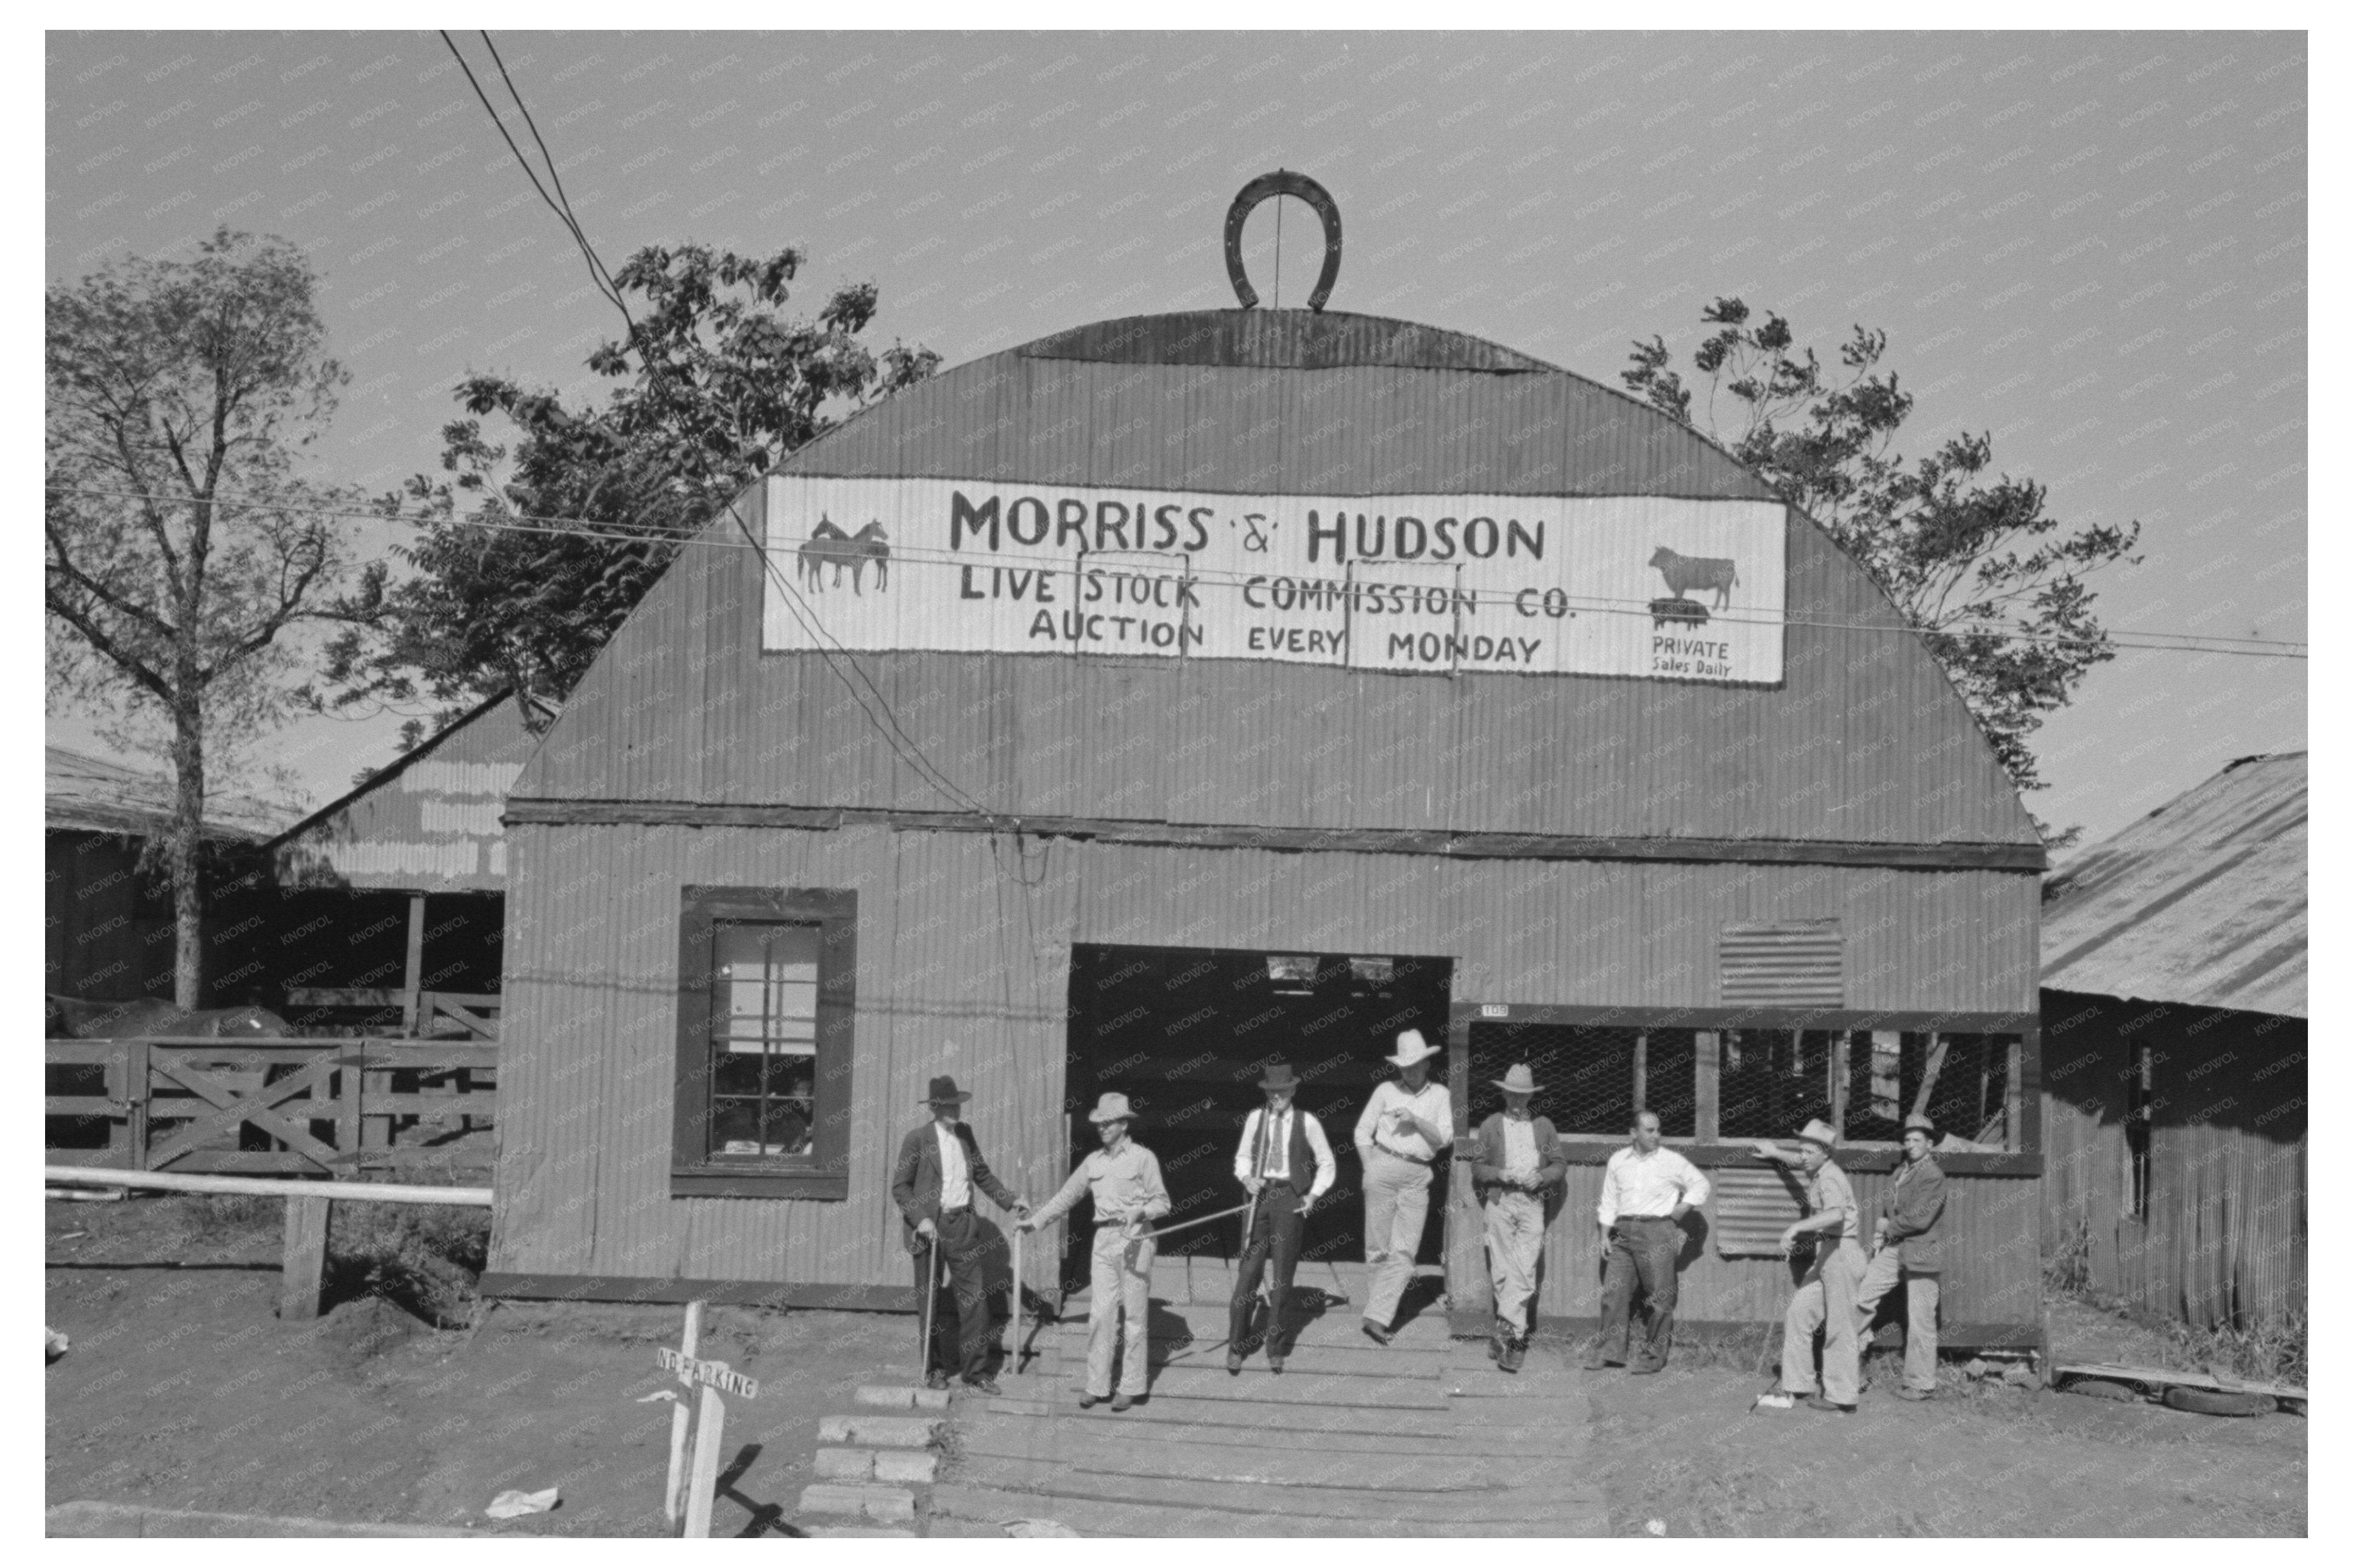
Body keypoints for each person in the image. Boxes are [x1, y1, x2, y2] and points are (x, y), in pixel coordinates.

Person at [1017, 1092, 1171, 1411]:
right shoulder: (1093, 1162)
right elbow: (1067, 1196)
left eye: (1109, 1122)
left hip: (1136, 1239)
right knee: (1101, 1314)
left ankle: (1131, 1386)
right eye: (1099, 1122)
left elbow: (1162, 1203)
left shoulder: (1144, 1158)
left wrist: (1140, 1214)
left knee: (1134, 1317)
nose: (1102, 1127)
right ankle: (1097, 1385)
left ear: (1124, 1124)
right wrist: (1036, 1222)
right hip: (1103, 1241)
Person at [890, 1073, 1031, 1396]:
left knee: (975, 1299)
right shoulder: (917, 1139)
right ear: (935, 1107)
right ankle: (934, 1368)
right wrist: (921, 1220)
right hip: (928, 1229)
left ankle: (976, 1371)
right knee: (931, 1300)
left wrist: (1010, 1200)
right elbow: (900, 1187)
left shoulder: (965, 1135)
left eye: (957, 1104)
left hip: (963, 1226)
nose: (955, 1110)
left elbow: (981, 1174)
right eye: (947, 1105)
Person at [1226, 1059, 1337, 1374]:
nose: (1276, 1097)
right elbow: (1243, 1157)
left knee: (1282, 1278)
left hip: (1290, 1198)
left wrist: (1313, 1195)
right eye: (1271, 1092)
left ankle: (1276, 1347)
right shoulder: (1255, 1118)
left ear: (1293, 1090)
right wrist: (1247, 1178)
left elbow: (1327, 1162)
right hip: (1258, 1199)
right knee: (1248, 1272)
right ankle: (1236, 1345)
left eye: (1282, 1091)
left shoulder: (1308, 1122)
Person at [1750, 1118, 1867, 1414]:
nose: (1802, 1156)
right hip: (1826, 1252)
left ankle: (1841, 1396)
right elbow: (1799, 1160)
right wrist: (1775, 1152)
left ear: (1825, 1153)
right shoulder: (1818, 1167)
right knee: (1799, 1313)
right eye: (1800, 1150)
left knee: (1840, 1328)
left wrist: (1796, 1228)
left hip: (1842, 1252)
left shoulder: (1829, 1178)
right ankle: (1799, 1383)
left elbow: (1837, 1214)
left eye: (1807, 1151)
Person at [1585, 1109, 1711, 1374]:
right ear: (1633, 1133)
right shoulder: (1618, 1160)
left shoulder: (1671, 1161)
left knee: (1659, 1297)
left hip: (1657, 1231)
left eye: (1659, 1130)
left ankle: (1653, 1355)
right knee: (1614, 1294)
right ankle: (1611, 1352)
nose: (1657, 1135)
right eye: (1650, 1130)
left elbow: (1701, 1185)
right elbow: (1609, 1200)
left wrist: (1682, 1209)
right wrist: (1604, 1234)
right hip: (1622, 1232)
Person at [1353, 1028, 1454, 1344]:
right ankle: (1381, 1313)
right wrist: (1371, 1168)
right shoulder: (1385, 1090)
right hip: (1383, 1166)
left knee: (1406, 1250)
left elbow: (1443, 1140)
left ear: (1427, 1064)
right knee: (1377, 1247)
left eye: (1416, 1065)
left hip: (1417, 1174)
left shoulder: (1441, 1095)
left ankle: (1376, 1315)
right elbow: (1362, 1132)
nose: (1410, 1071)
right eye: (1405, 1066)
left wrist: (1416, 1120)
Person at [1470, 1064, 1566, 1373]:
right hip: (1500, 1201)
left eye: (1523, 1096)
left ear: (1530, 1097)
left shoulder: (1543, 1126)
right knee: (1501, 1270)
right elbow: (1478, 1166)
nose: (1517, 1101)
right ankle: (1511, 1335)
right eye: (1512, 1094)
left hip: (1531, 1203)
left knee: (1524, 1269)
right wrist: (1500, 1173)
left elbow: (1560, 1164)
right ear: (1503, 1093)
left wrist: (1541, 1177)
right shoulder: (1490, 1125)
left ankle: (1511, 1338)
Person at [1852, 1112, 1947, 1400]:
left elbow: (1919, 1219)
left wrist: (1887, 1227)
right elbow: (1892, 1210)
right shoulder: (1901, 1172)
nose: (1911, 1144)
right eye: (1907, 1140)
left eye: (1917, 1139)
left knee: (1920, 1320)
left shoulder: (1933, 1175)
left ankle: (1921, 1383)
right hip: (1895, 1248)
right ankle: (1854, 1364)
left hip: (1921, 1251)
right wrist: (1883, 1234)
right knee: (1861, 1295)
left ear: (1930, 1144)